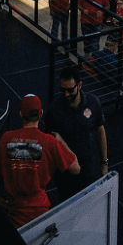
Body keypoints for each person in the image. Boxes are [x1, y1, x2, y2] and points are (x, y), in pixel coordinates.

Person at [0, 94, 80, 227]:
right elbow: (76, 168)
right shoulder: (49, 142)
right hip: (39, 215)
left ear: (20, 114)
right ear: (41, 113)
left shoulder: (6, 139)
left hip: (12, 214)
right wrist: (60, 140)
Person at [42, 66, 107, 199]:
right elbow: (49, 146)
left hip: (90, 171)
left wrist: (104, 163)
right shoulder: (53, 112)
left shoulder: (93, 103)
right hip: (66, 177)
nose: (66, 94)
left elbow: (100, 131)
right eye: (62, 90)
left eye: (70, 90)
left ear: (80, 85)